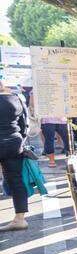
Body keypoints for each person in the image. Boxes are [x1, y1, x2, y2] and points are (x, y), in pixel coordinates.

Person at [0, 79, 30, 231]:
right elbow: (25, 123)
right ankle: (20, 218)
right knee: (16, 180)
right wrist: (21, 139)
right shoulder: (15, 98)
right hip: (14, 142)